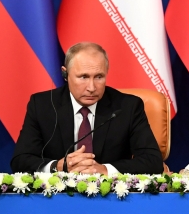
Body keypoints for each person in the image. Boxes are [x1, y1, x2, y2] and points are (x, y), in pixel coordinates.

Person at [11, 42, 163, 175]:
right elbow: (20, 160)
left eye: (99, 77)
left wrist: (105, 169)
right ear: (65, 74)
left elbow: (152, 161)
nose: (91, 88)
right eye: (83, 77)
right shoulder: (42, 105)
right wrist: (56, 166)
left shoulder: (128, 106)